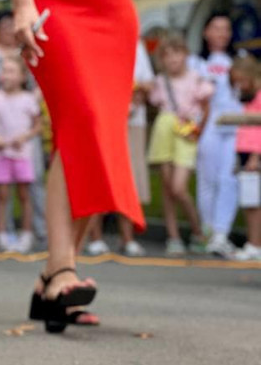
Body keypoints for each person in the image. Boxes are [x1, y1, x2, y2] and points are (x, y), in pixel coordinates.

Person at [2, 0, 158, 331]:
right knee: (81, 122)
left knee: (99, 136)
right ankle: (63, 268)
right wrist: (23, 4)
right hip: (52, 0)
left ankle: (53, 276)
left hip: (110, 4)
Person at [84, 39, 154, 258]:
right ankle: (95, 237)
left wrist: (135, 100)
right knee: (99, 176)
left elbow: (147, 82)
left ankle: (128, 238)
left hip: (132, 121)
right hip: (102, 119)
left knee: (128, 178)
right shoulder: (94, 40)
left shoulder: (136, 44)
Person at [147, 33, 213, 256]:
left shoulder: (196, 79)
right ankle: (173, 236)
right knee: (167, 188)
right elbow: (156, 105)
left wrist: (198, 131)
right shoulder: (160, 81)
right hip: (164, 128)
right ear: (162, 59)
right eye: (167, 56)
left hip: (185, 132)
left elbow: (205, 108)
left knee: (179, 187)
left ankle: (197, 231)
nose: (173, 60)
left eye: (177, 54)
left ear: (185, 54)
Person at [191, 13, 241, 257]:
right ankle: (208, 231)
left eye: (226, 29)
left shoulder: (240, 60)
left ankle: (222, 233)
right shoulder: (196, 62)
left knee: (228, 179)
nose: (222, 33)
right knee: (207, 178)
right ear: (206, 32)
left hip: (235, 124)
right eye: (216, 28)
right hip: (208, 124)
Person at [0, 55, 41, 252]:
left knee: (25, 195)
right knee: (2, 196)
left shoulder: (28, 99)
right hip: (1, 155)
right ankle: (3, 235)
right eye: (3, 71)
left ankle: (26, 235)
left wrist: (24, 137)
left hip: (22, 155)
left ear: (22, 76)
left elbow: (37, 125)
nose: (5, 75)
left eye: (11, 71)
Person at [231, 55, 261, 261]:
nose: (239, 85)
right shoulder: (246, 96)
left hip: (254, 154)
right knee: (248, 201)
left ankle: (255, 244)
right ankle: (252, 243)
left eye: (242, 80)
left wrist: (254, 157)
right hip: (243, 150)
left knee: (254, 202)